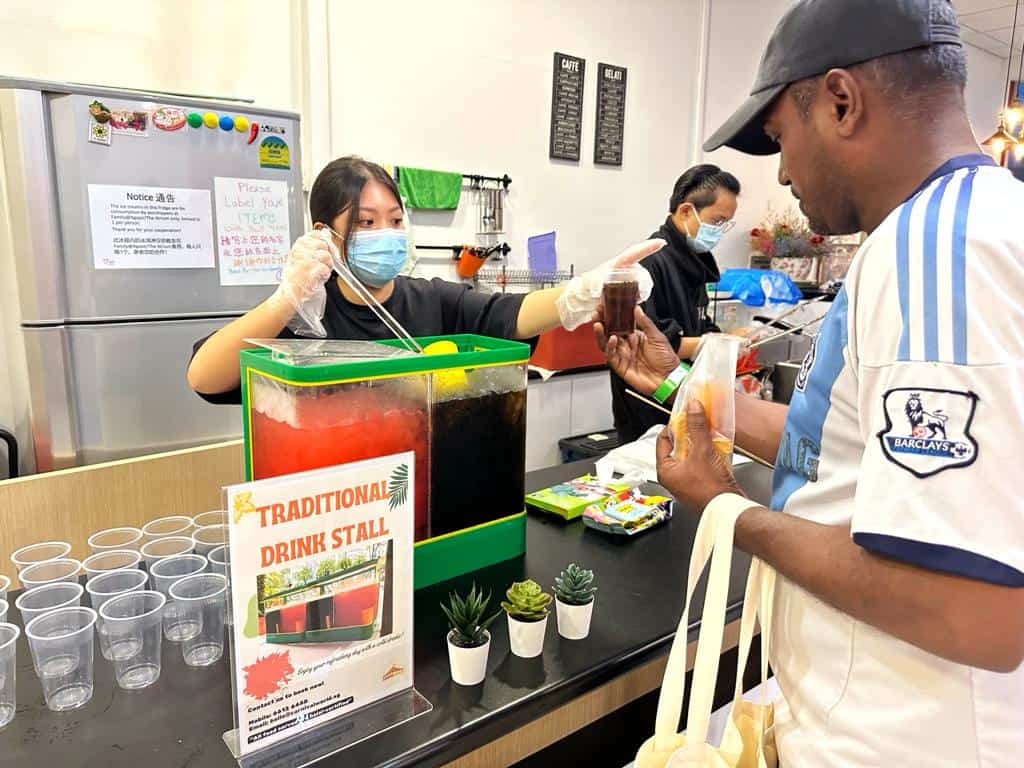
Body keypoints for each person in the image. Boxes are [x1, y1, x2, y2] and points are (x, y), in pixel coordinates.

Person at [596, 0, 1024, 765]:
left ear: (840, 101)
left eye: (780, 140)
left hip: (902, 739)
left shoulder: (935, 253)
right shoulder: (968, 224)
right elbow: (839, 448)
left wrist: (726, 508)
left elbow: (976, 612)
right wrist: (677, 382)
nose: (785, 173)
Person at [188, 156, 662, 402]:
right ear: (324, 234)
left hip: (422, 485)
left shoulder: (431, 300)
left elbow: (513, 314)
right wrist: (285, 298)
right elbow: (205, 378)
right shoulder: (305, 317)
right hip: (333, 506)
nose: (387, 234)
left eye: (395, 220)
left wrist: (588, 288)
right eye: (366, 222)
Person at [610, 165, 739, 444]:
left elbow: (697, 321)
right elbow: (643, 342)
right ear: (685, 211)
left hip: (682, 398)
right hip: (647, 408)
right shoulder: (650, 263)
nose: (720, 232)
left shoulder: (693, 263)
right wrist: (707, 344)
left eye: (726, 224)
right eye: (717, 221)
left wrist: (722, 337)